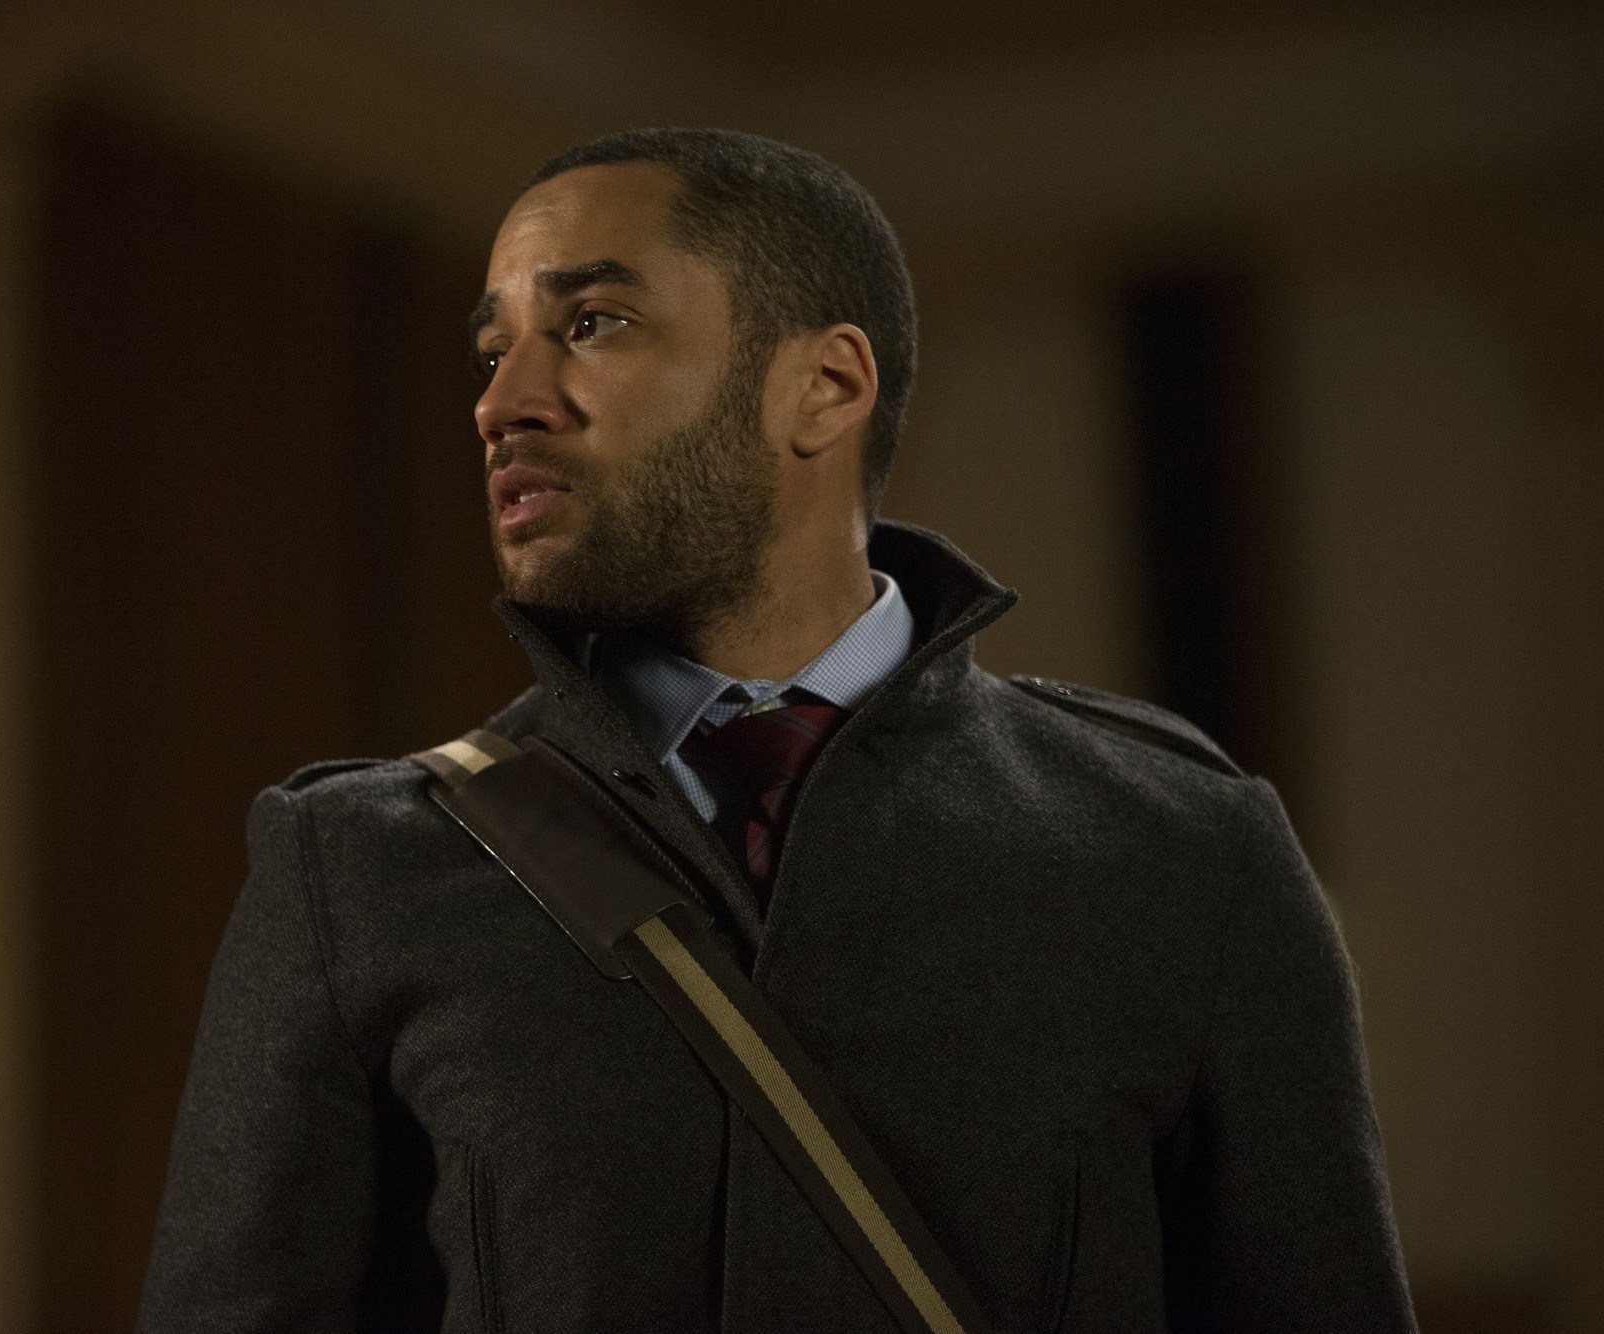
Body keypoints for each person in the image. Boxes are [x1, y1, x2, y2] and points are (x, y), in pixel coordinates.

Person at [138, 128, 1416, 1333]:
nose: (502, 401)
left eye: (591, 323)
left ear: (823, 386)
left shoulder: (1183, 849)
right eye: (491, 351)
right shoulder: (356, 868)